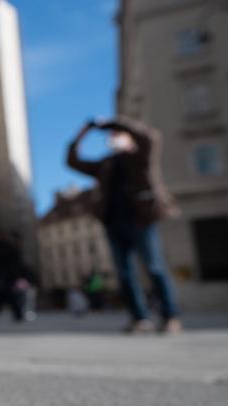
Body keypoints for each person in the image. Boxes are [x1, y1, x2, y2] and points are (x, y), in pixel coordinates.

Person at [68, 117, 181, 334]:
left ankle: (170, 316)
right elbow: (72, 161)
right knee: (125, 273)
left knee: (154, 267)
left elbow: (150, 136)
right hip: (113, 222)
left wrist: (113, 124)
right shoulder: (105, 164)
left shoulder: (140, 157)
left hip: (141, 220)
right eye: (112, 137)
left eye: (118, 136)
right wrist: (83, 132)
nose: (114, 139)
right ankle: (140, 318)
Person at [0, 232, 27, 322]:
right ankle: (16, 314)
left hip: (3, 275)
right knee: (5, 294)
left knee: (4, 294)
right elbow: (18, 262)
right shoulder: (10, 247)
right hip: (9, 275)